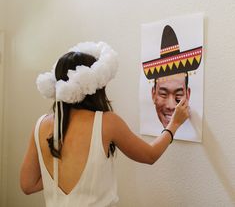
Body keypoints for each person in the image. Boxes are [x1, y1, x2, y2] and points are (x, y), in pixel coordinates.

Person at [20, 42, 189, 207]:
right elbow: (150, 155)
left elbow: (27, 185)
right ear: (95, 85)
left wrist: (60, 180)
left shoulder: (41, 124)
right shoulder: (107, 122)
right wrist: (174, 124)